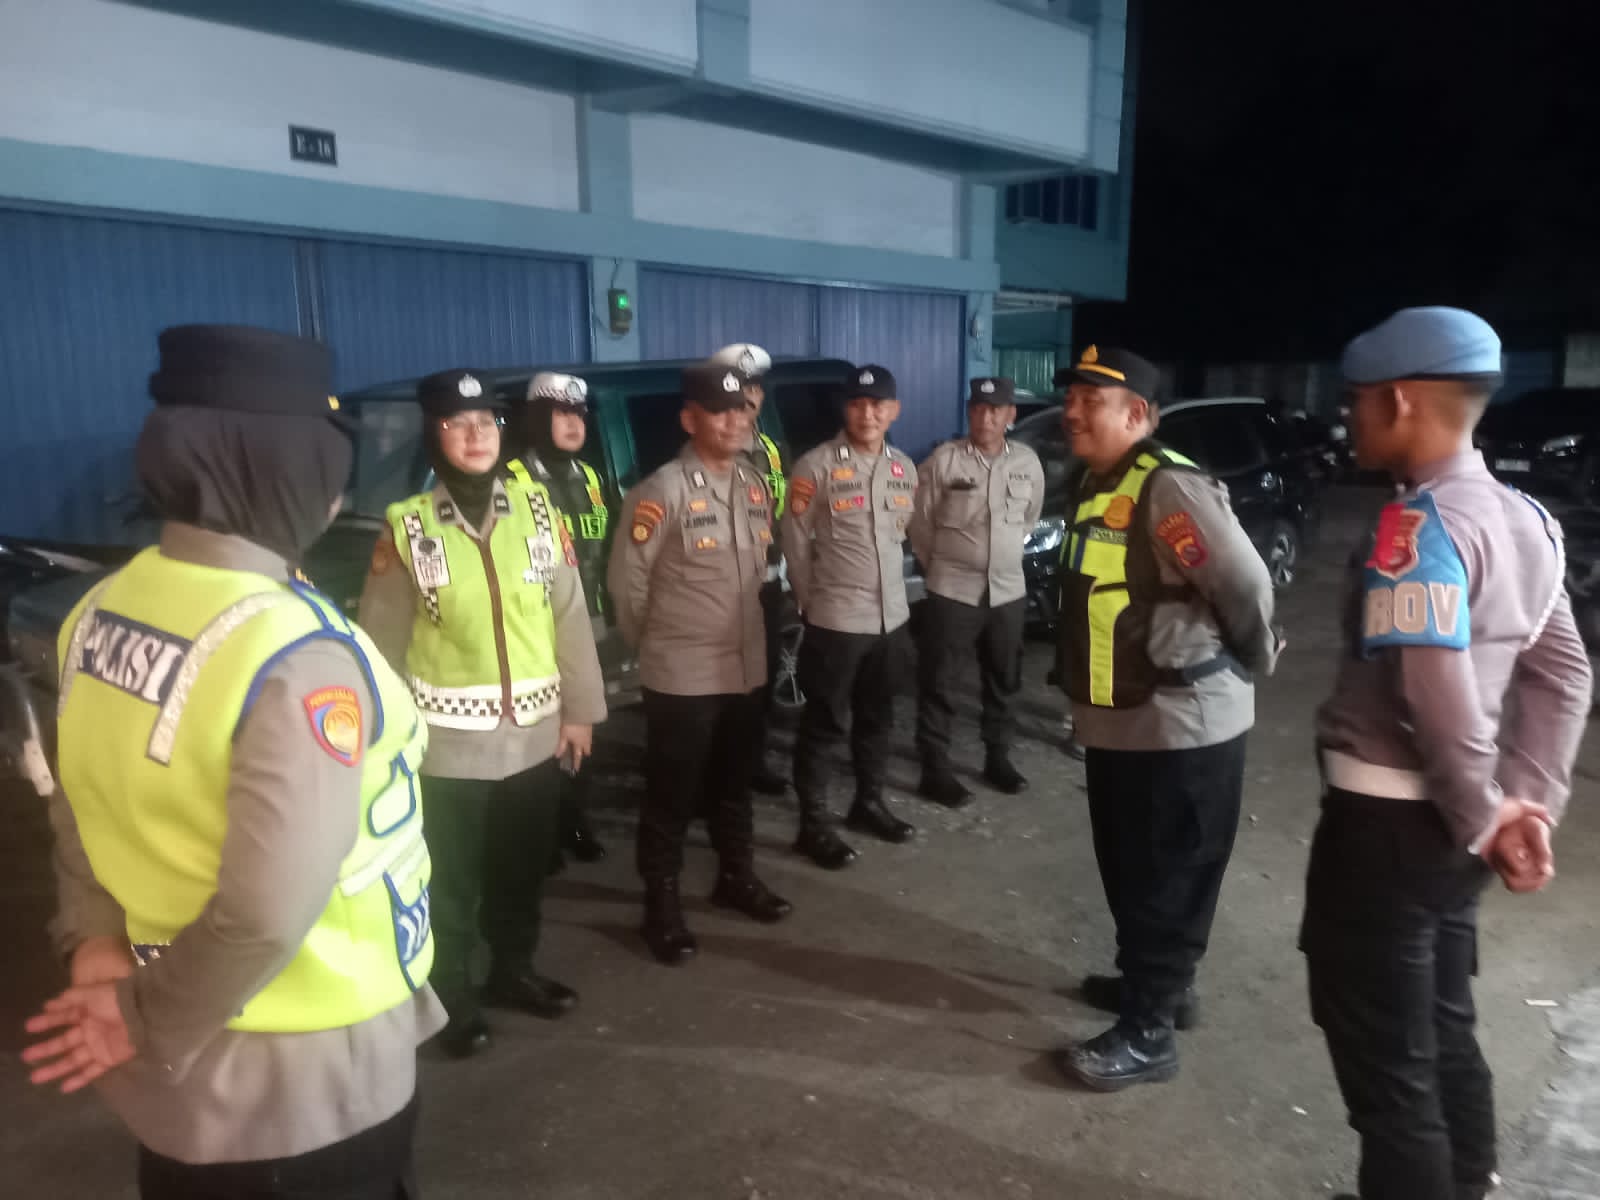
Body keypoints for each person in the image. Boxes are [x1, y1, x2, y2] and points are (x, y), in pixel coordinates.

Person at [23, 324, 442, 1197]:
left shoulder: (103, 608)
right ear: (288, 471)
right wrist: (139, 1019)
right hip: (305, 1068)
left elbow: (76, 796)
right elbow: (265, 913)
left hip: (180, 1058)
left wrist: (94, 940)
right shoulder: (295, 655)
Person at [1303, 308, 1591, 1200]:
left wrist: (1486, 814)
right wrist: (1527, 803)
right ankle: (1468, 1184)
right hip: (1458, 836)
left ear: (1399, 400)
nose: (1348, 417)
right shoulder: (1528, 519)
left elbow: (1431, 692)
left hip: (1390, 829)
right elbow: (1564, 672)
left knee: (1389, 1067)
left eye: (1356, 401)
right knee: (1441, 1024)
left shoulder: (1417, 527)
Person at [1050, 345, 1281, 1091]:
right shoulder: (1098, 482)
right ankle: (1155, 987)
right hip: (1121, 719)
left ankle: (1150, 1032)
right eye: (1072, 397)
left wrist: (1252, 656)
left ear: (1139, 415)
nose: (1072, 411)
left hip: (1182, 723)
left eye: (1092, 401)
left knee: (1170, 876)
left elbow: (1244, 583)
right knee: (1131, 868)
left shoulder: (1168, 486)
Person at [358, 368, 606, 1058]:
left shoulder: (539, 512)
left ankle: (512, 971)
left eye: (486, 423)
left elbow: (569, 616)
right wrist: (388, 743)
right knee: (451, 882)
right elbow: (381, 645)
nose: (476, 436)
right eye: (457, 424)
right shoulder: (407, 527)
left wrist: (581, 711)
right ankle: (452, 997)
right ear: (434, 436)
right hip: (446, 747)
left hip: (534, 736)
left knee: (520, 871)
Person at [607, 363, 793, 966]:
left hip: (745, 665)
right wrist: (662, 645)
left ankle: (735, 877)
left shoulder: (754, 484)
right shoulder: (660, 490)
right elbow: (628, 587)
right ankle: (659, 907)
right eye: (720, 411)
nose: (736, 421)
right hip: (683, 673)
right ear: (690, 419)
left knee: (734, 784)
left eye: (743, 410)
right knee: (672, 794)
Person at [781, 364, 920, 869]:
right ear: (846, 409)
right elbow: (795, 541)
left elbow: (904, 532)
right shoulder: (815, 466)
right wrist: (810, 601)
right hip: (837, 620)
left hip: (891, 620)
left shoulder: (904, 468)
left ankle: (868, 803)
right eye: (858, 404)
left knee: (878, 719)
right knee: (824, 725)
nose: (868, 414)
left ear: (893, 410)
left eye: (878, 405)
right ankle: (813, 825)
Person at [909, 376, 1046, 807]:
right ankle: (935, 769)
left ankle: (997, 759)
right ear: (969, 412)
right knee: (941, 681)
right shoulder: (944, 461)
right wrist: (942, 565)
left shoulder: (1026, 462)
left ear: (1010, 415)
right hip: (953, 589)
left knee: (1004, 677)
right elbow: (919, 521)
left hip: (1007, 590)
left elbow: (1029, 517)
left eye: (995, 410)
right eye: (978, 409)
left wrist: (1000, 555)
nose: (985, 417)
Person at [509, 371, 610, 865]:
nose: (574, 424)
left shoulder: (589, 477)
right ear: (536, 420)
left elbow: (599, 547)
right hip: (535, 628)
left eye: (579, 415)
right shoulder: (512, 481)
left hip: (587, 620)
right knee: (540, 733)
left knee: (583, 724)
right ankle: (542, 832)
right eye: (561, 414)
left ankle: (574, 820)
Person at [709, 341, 792, 797]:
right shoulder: (711, 448)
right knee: (721, 686)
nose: (749, 395)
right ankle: (716, 775)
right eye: (740, 386)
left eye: (755, 387)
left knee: (761, 680)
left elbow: (783, 512)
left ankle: (752, 762)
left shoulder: (771, 449)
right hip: (723, 590)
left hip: (767, 582)